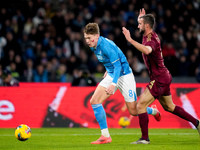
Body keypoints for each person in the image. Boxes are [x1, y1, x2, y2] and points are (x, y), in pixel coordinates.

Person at [122, 8, 200, 144]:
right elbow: (144, 29)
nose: (137, 26)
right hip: (163, 76)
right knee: (169, 107)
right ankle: (197, 123)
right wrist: (141, 18)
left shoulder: (151, 38)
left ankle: (144, 139)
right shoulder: (148, 33)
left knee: (140, 106)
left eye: (140, 24)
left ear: (146, 26)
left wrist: (130, 40)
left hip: (159, 78)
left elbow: (147, 50)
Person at [83, 22, 162, 144]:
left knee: (134, 111)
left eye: (89, 38)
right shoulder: (94, 45)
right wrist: (107, 70)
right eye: (86, 38)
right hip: (112, 73)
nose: (87, 41)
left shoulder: (105, 45)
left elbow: (118, 65)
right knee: (94, 101)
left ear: (97, 36)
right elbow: (111, 61)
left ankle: (154, 111)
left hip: (124, 75)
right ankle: (105, 136)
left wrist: (113, 84)